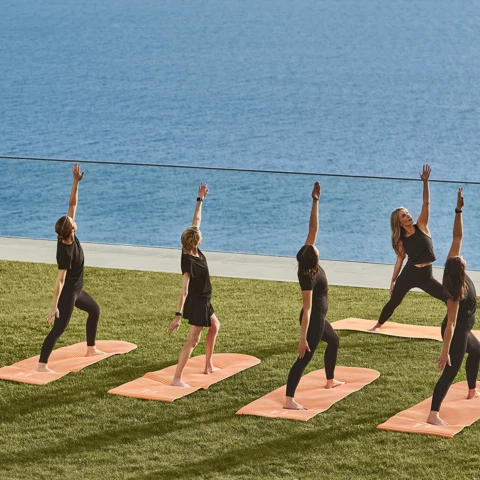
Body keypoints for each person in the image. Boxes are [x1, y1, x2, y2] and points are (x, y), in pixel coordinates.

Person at [37, 164, 103, 373]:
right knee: (59, 328)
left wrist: (75, 182)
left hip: (77, 289)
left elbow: (72, 204)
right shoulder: (65, 253)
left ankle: (91, 349)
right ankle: (41, 365)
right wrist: (53, 306)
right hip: (68, 293)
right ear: (70, 229)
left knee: (94, 310)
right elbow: (60, 281)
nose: (73, 219)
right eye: (71, 221)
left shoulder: (68, 233)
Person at [284, 182, 344, 410]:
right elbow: (307, 310)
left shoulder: (308, 260)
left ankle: (330, 381)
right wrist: (302, 339)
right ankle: (289, 400)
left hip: (318, 317)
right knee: (304, 358)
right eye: (315, 250)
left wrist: (315, 200)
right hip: (313, 320)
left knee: (335, 341)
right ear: (313, 260)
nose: (317, 247)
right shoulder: (308, 278)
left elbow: (313, 229)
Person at [427, 188, 480, 426]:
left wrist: (459, 209)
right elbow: (451, 323)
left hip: (464, 330)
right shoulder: (454, 294)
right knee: (450, 371)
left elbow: (457, 237)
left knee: (478, 352)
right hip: (456, 333)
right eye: (461, 261)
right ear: (460, 273)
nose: (461, 257)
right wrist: (444, 351)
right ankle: (433, 414)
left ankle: (471, 390)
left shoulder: (452, 266)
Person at [370, 165, 445, 332]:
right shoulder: (401, 240)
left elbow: (426, 203)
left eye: (408, 213)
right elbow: (399, 260)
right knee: (394, 302)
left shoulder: (422, 226)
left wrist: (425, 182)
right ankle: (378, 325)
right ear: (399, 222)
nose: (408, 215)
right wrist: (393, 280)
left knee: (448, 298)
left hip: (426, 276)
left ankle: (454, 326)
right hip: (410, 274)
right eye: (404, 215)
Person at [168, 183, 221, 387]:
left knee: (215, 326)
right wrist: (177, 316)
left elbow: (196, 220)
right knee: (193, 340)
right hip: (198, 302)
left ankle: (208, 365)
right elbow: (184, 290)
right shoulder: (188, 260)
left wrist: (200, 199)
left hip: (205, 300)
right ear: (196, 242)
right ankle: (177, 378)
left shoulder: (193, 248)